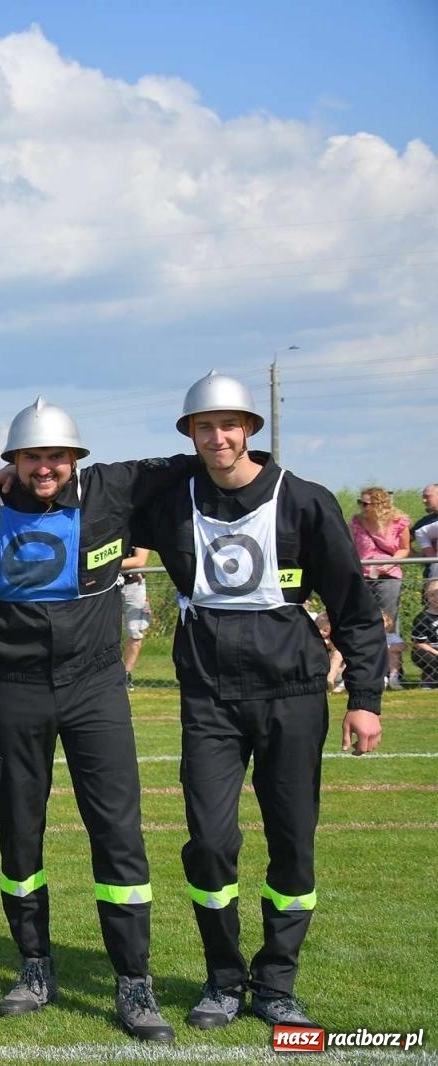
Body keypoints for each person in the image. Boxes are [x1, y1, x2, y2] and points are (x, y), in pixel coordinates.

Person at [130, 372, 384, 1029]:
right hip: (209, 699)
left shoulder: (304, 501)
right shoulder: (170, 501)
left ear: (251, 431)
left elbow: (355, 610)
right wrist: (3, 483)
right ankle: (222, 978)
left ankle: (276, 983)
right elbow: (88, 496)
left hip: (293, 695)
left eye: (230, 424)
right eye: (205, 426)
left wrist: (365, 699)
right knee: (210, 845)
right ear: (190, 434)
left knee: (293, 844)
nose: (219, 437)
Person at [0, 398, 186, 1042]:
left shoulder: (115, 487)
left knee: (117, 831)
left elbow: (206, 462)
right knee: (19, 835)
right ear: (11, 462)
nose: (45, 467)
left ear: (76, 457)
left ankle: (133, 981)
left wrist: (255, 456)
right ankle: (34, 967)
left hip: (96, 691)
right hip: (13, 692)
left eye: (56, 456)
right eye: (32, 457)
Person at [350, 487, 410, 688]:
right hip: (364, 575)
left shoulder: (398, 521)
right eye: (361, 502)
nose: (362, 507)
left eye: (366, 503)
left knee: (386, 622)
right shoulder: (357, 522)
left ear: (379, 504)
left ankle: (391, 671)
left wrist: (392, 562)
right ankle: (367, 669)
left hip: (389, 575)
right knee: (364, 620)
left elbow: (404, 549)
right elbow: (351, 547)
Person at [119, 547, 152, 690]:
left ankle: (126, 673)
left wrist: (108, 563)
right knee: (101, 631)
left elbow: (140, 560)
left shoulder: (139, 529)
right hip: (107, 584)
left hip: (133, 585)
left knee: (135, 631)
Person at [408, 579, 438, 687]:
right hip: (428, 649)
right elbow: (418, 643)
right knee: (428, 658)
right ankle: (428, 681)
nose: (436, 598)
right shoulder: (423, 618)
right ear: (428, 597)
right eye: (433, 595)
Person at [412, 484, 438, 580]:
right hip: (432, 575)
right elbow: (404, 543)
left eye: (427, 496)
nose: (424, 501)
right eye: (423, 497)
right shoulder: (424, 522)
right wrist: (424, 557)